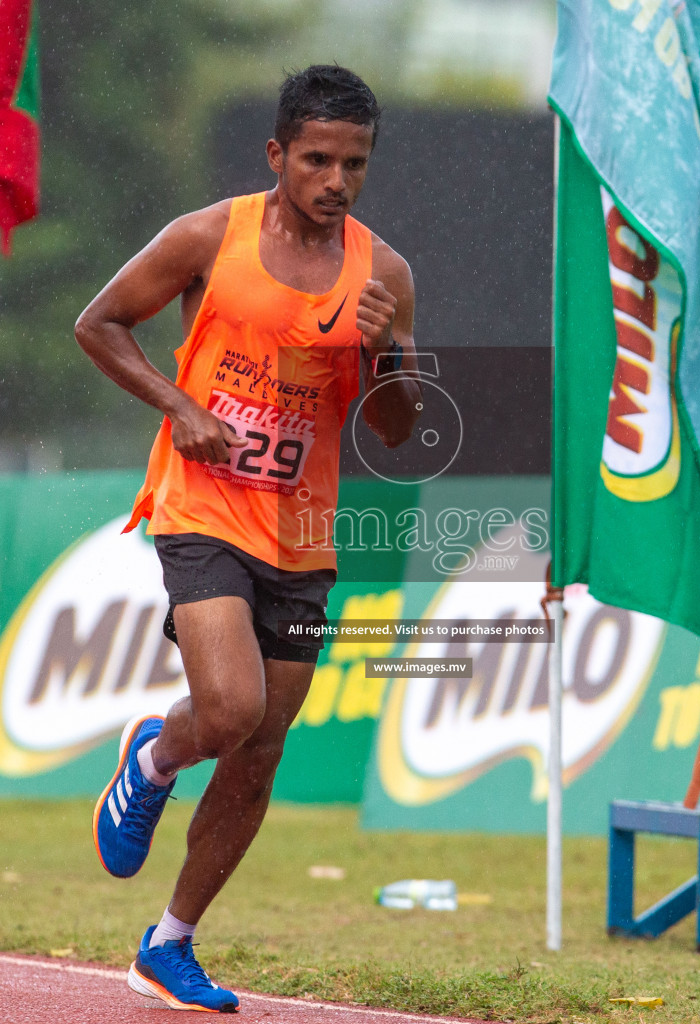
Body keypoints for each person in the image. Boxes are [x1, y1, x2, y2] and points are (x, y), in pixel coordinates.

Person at [73, 65, 421, 1012]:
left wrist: (384, 354)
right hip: (202, 506)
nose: (336, 179)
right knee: (226, 710)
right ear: (278, 154)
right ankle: (153, 754)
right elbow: (98, 323)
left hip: (302, 528)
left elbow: (398, 430)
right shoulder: (207, 236)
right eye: (317, 158)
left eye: (354, 162)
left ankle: (169, 944)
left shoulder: (384, 274)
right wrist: (180, 404)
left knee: (261, 748)